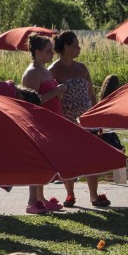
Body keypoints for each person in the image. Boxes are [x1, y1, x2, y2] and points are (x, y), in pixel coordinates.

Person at [49, 31, 109, 208]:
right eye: (75, 45)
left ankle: (93, 195)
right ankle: (70, 195)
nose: (79, 48)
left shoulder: (82, 68)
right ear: (66, 47)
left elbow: (91, 95)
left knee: (91, 158)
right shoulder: (53, 70)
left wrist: (97, 117)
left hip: (86, 119)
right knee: (69, 158)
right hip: (66, 121)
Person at [21, 34, 66, 214]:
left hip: (51, 120)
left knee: (46, 161)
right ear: (37, 52)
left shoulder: (45, 71)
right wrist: (56, 91)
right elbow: (32, 101)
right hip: (38, 122)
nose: (52, 54)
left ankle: (41, 197)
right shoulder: (32, 72)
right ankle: (33, 200)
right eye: (48, 51)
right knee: (38, 160)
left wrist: (58, 93)